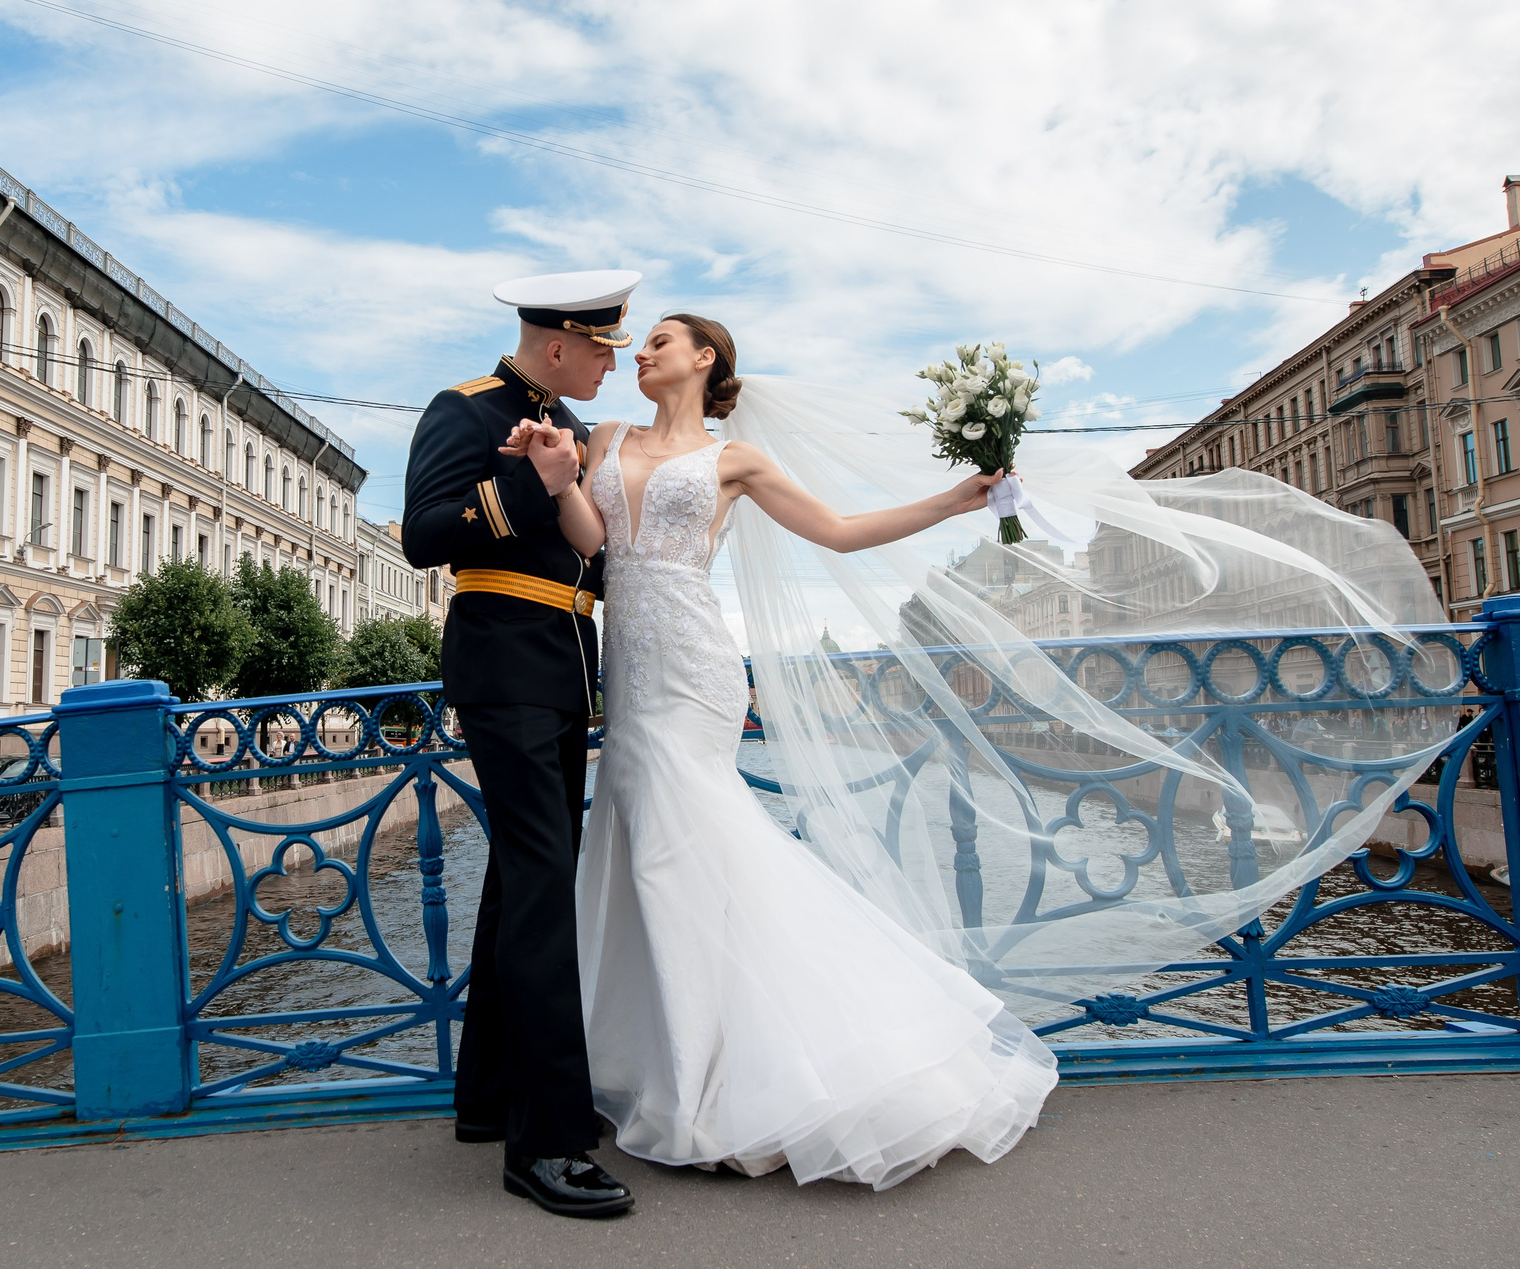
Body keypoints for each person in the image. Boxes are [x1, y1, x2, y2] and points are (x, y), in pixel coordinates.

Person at [501, 314, 1058, 1189]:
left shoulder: (736, 460)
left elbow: (836, 531)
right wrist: (555, 475)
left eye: (658, 340)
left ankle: (720, 1086)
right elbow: (594, 545)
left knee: (686, 859)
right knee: (651, 861)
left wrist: (953, 501)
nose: (638, 352)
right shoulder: (601, 433)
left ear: (705, 357)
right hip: (630, 669)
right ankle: (681, 1065)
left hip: (696, 671)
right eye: (637, 343)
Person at [401, 270, 640, 1220]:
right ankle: (547, 1141)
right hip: (501, 661)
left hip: (559, 668)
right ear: (556, 346)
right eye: (600, 351)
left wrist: (565, 478)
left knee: (519, 882)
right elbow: (423, 536)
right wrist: (525, 481)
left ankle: (488, 1098)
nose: (608, 366)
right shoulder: (464, 408)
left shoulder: (569, 428)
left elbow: (588, 556)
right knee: (545, 894)